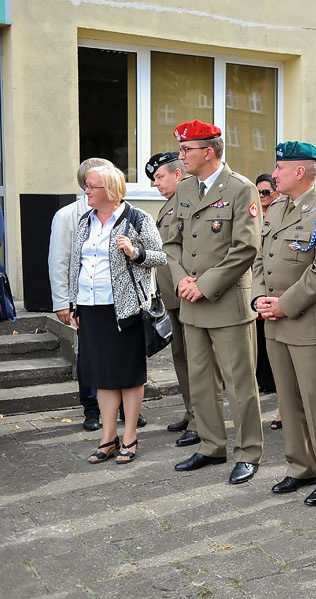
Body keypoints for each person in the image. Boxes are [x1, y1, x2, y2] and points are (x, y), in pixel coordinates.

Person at [252, 141, 316, 504]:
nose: (273, 174)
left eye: (279, 168)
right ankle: (299, 466)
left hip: (307, 320)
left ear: (299, 171)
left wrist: (285, 304)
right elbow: (261, 258)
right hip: (274, 319)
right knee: (289, 399)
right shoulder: (277, 207)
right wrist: (259, 297)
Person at [165, 119, 263, 485]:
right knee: (201, 379)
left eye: (186, 150)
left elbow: (246, 248)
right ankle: (210, 445)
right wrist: (181, 280)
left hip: (225, 302)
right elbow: (171, 242)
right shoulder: (186, 187)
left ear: (209, 151)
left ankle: (249, 451)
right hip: (191, 300)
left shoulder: (241, 189)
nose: (181, 157)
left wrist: (204, 285)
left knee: (240, 383)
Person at [70, 165, 166, 464]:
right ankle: (108, 438)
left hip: (124, 309)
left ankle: (130, 438)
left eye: (92, 186)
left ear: (110, 190)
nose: (86, 191)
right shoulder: (85, 221)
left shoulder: (137, 219)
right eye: (86, 186)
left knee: (128, 374)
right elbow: (76, 263)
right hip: (91, 306)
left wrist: (135, 253)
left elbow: (160, 257)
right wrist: (74, 303)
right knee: (102, 375)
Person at [148, 152, 224, 447]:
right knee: (181, 357)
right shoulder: (171, 203)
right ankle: (192, 411)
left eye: (159, 177)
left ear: (177, 174)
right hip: (172, 294)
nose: (155, 184)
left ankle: (203, 420)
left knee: (200, 361)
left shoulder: (190, 201)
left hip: (190, 292)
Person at [50, 158, 111, 431]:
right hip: (83, 300)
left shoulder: (120, 213)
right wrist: (62, 302)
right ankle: (91, 409)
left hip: (113, 299)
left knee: (115, 355)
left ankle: (119, 407)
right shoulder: (67, 216)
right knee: (87, 355)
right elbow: (59, 261)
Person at [254, 174, 279, 405]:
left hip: (275, 284)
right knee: (259, 338)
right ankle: (262, 378)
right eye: (259, 192)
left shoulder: (279, 213)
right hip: (257, 282)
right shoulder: (253, 215)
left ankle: (271, 380)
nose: (262, 197)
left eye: (266, 192)